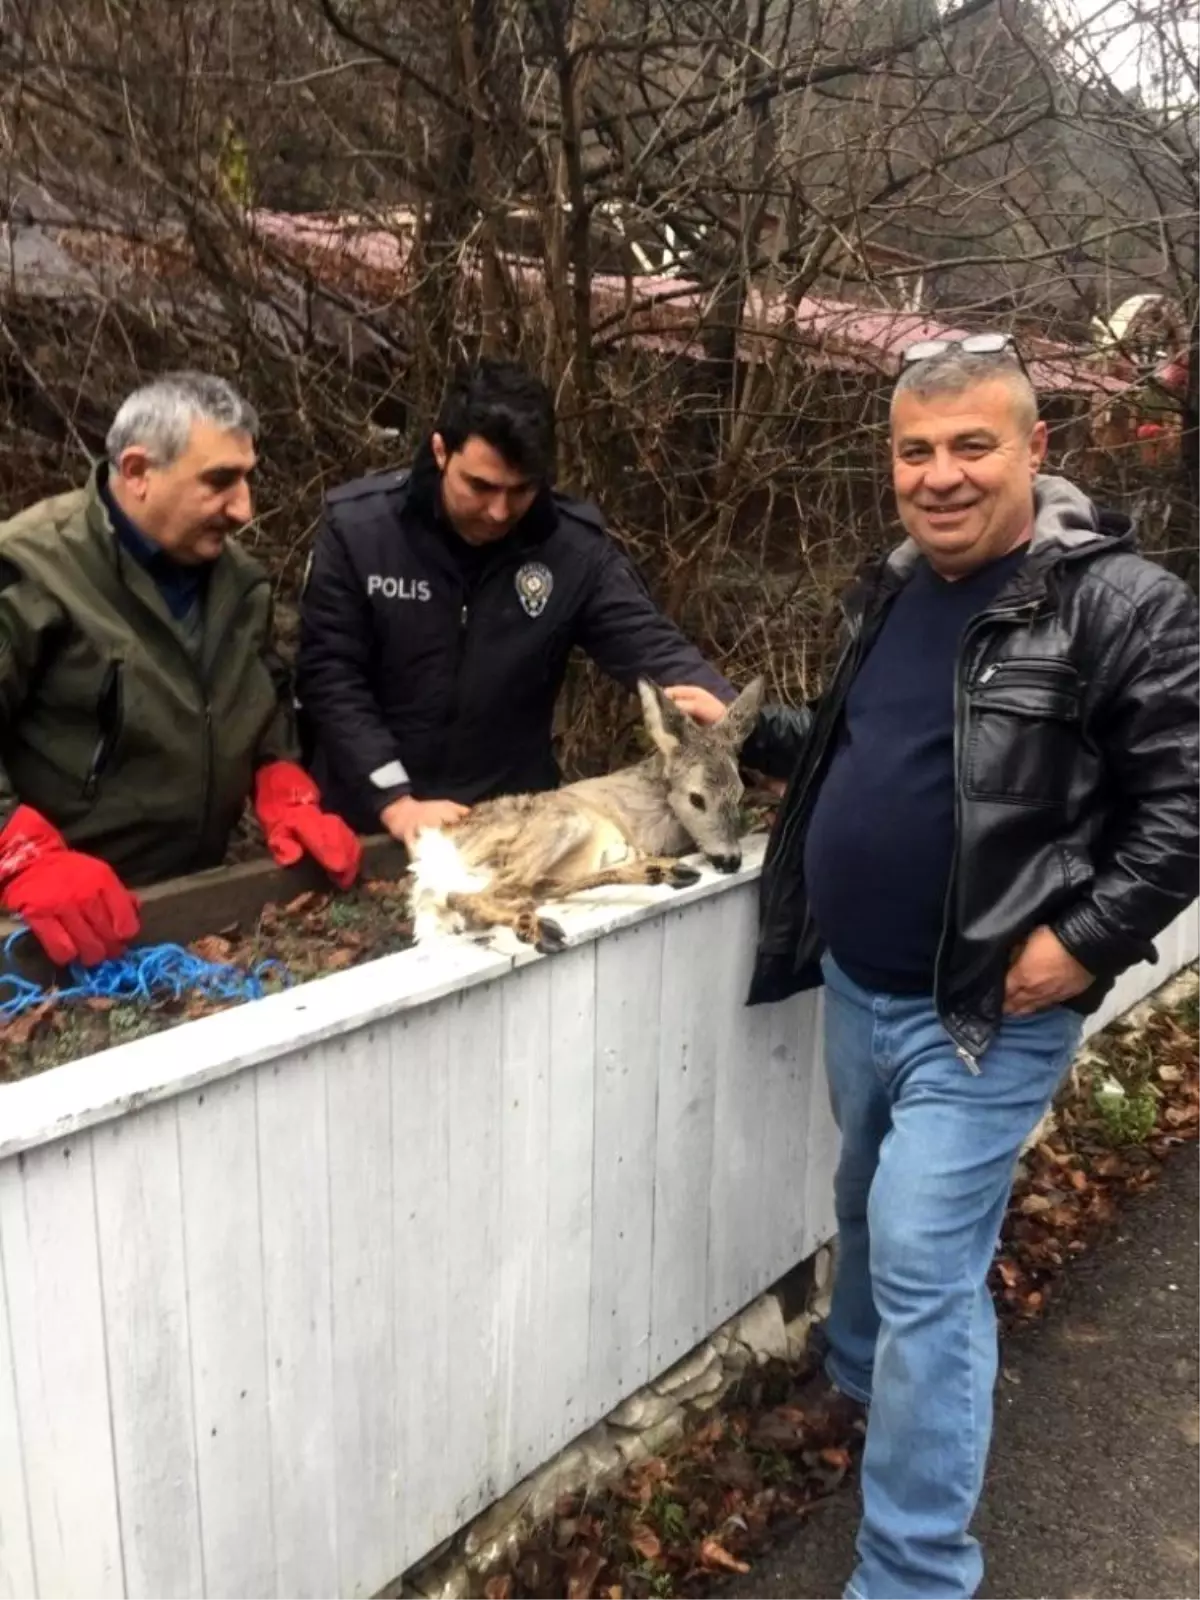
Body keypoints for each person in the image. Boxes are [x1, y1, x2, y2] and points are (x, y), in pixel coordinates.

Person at [670, 336, 1200, 1599]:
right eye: (917, 450)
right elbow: (876, 747)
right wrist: (751, 734)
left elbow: (1183, 806)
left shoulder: (1120, 605)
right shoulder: (890, 592)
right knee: (861, 1199)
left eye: (973, 445)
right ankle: (860, 1381)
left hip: (986, 1010)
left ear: (1035, 450)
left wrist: (1082, 942)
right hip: (858, 982)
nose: (942, 476)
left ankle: (912, 1571)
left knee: (920, 1253)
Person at [0, 373, 361, 969]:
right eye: (220, 481)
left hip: (189, 906)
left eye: (248, 478)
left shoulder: (238, 582)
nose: (244, 508)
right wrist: (20, 853)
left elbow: (258, 688)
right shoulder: (34, 569)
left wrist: (280, 776)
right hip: (47, 925)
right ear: (138, 472)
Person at [296, 358, 733, 848]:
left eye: (522, 489)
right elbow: (330, 676)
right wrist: (395, 800)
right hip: (367, 826)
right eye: (480, 486)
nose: (500, 511)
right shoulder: (360, 530)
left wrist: (746, 736)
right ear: (441, 451)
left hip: (511, 830)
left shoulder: (573, 550)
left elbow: (656, 651)